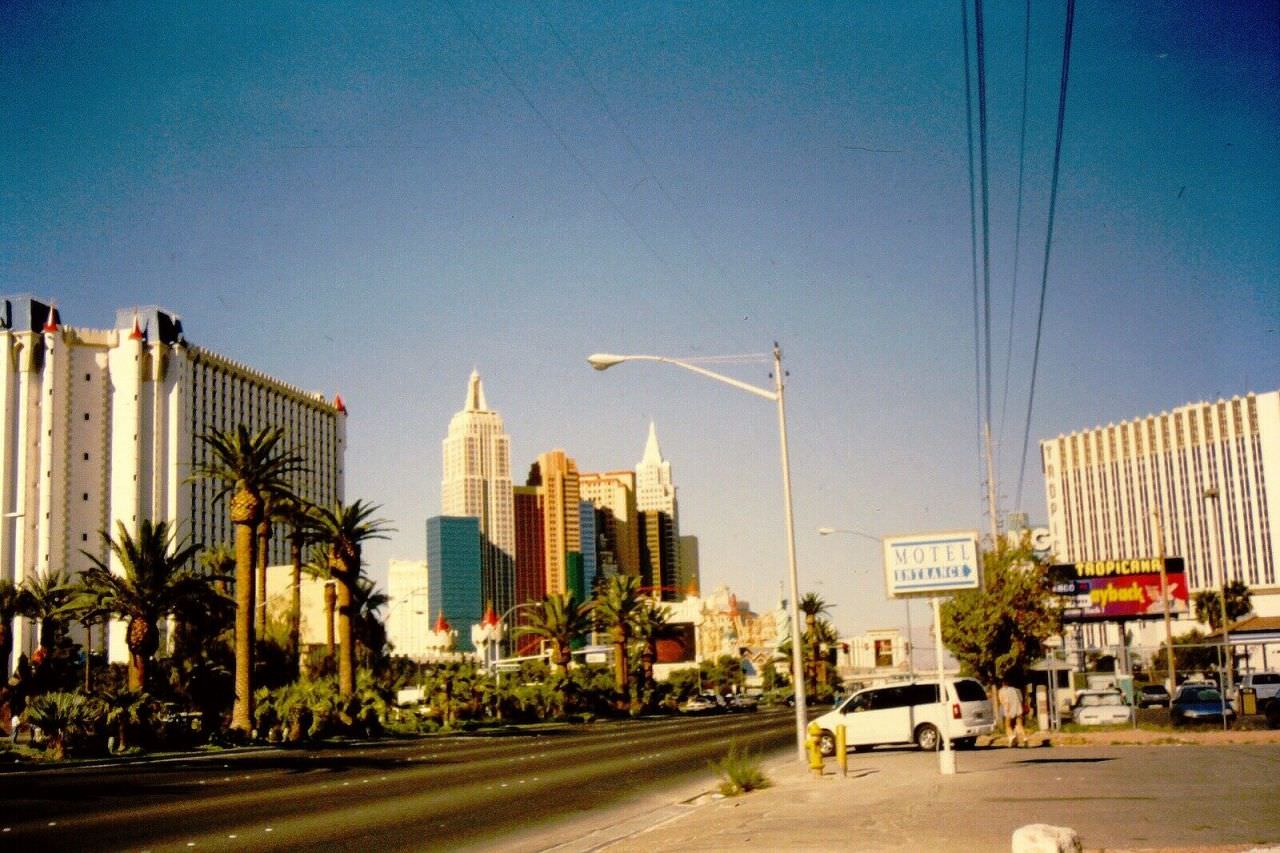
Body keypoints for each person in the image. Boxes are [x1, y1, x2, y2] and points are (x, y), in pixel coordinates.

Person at [998, 678, 1026, 748]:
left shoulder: (1002, 691)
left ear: (1002, 684)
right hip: (1018, 710)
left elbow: (1004, 701)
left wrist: (1007, 710)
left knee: (1007, 726)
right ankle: (1025, 738)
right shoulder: (1015, 690)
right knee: (1019, 725)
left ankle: (1011, 737)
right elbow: (1021, 699)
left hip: (1009, 710)